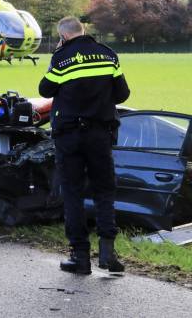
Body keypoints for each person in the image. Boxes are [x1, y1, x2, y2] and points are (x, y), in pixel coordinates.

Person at [38, 16, 130, 275]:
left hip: (69, 137)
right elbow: (123, 94)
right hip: (100, 134)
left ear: (63, 36)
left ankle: (80, 258)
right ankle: (108, 253)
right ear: (84, 30)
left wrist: (59, 56)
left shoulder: (61, 58)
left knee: (73, 193)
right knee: (104, 191)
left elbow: (45, 90)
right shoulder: (108, 54)